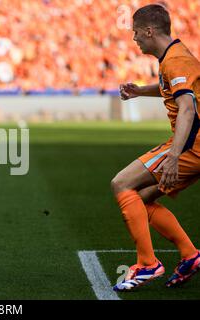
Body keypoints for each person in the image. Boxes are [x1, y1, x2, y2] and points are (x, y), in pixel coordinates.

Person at [111, 4, 199, 291]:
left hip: (192, 145)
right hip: (193, 146)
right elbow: (174, 89)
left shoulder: (176, 61)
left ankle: (148, 263)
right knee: (143, 198)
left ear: (149, 31)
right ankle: (190, 255)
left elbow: (187, 108)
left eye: (136, 33)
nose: (134, 38)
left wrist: (174, 156)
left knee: (122, 183)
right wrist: (140, 91)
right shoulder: (173, 57)